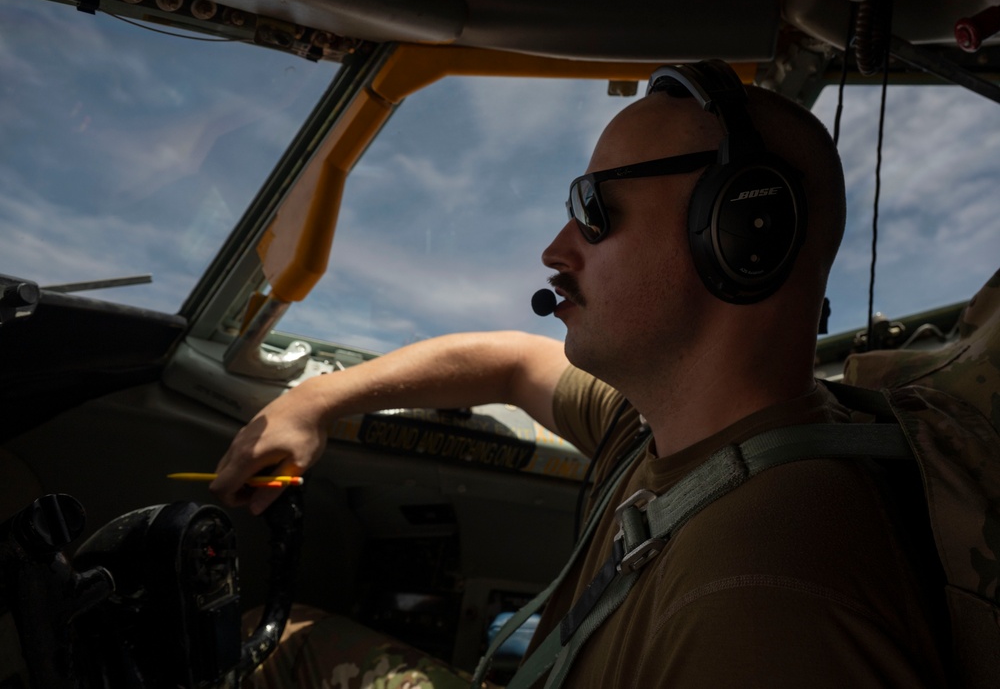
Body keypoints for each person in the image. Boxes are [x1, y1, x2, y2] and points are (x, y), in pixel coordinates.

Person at [212, 61, 947, 687]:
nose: (556, 249)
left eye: (594, 209)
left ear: (742, 233)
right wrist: (315, 400)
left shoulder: (767, 597)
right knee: (275, 639)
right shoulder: (655, 425)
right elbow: (507, 361)